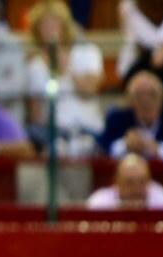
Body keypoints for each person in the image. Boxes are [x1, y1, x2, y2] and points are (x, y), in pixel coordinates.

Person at [23, 0, 104, 158]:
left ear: (65, 26)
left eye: (54, 23)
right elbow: (35, 115)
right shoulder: (34, 66)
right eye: (44, 25)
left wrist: (66, 67)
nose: (49, 29)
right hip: (51, 134)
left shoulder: (87, 52)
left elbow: (90, 90)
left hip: (86, 129)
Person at [98, 70, 163, 159]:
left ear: (162, 98)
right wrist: (125, 144)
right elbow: (102, 149)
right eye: (139, 95)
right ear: (130, 101)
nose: (146, 101)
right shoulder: (116, 119)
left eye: (152, 94)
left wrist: (159, 149)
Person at [85, 152, 163, 210]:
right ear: (116, 182)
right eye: (129, 182)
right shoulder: (98, 203)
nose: (136, 189)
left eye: (142, 181)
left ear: (149, 180)